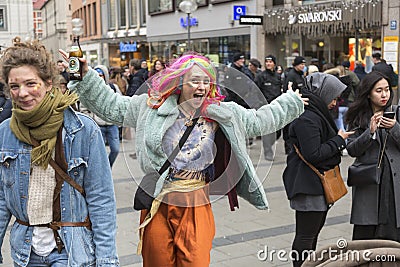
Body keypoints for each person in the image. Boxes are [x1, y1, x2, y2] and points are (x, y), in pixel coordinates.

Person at [59, 49, 307, 267]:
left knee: (195, 261)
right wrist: (85, 76)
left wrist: (290, 102)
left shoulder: (222, 113)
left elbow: (259, 120)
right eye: (194, 80)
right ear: (179, 83)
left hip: (196, 201)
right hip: (158, 199)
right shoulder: (150, 107)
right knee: (157, 260)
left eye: (206, 81)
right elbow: (112, 106)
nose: (201, 86)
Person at [0, 40, 119, 266]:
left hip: (71, 250)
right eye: (14, 86)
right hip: (25, 252)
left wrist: (106, 260)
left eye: (30, 83)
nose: (22, 93)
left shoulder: (83, 130)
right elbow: (0, 199)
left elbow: (101, 199)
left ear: (47, 83)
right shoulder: (5, 133)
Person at [282, 72, 353, 267]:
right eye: (334, 97)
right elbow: (313, 153)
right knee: (306, 236)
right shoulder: (308, 118)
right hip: (307, 184)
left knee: (311, 235)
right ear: (323, 94)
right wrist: (339, 140)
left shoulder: (315, 113)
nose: (335, 103)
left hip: (313, 184)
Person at [345, 71, 400, 242]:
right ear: (368, 93)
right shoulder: (357, 116)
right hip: (369, 179)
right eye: (378, 90)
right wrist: (369, 132)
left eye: (387, 90)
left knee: (392, 231)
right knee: (366, 232)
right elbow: (352, 150)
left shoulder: (396, 112)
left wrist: (395, 127)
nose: (384, 95)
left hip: (393, 180)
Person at [80, 65, 122, 168]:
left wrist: (117, 116)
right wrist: (92, 118)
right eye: (97, 75)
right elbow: (83, 108)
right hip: (98, 126)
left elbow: (120, 102)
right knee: (99, 152)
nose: (99, 77)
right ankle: (103, 170)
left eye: (101, 75)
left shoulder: (113, 87)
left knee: (115, 149)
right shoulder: (89, 89)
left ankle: (107, 167)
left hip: (112, 125)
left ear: (105, 76)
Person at [255, 55, 283, 160]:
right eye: (266, 62)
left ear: (274, 64)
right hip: (265, 107)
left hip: (276, 107)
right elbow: (255, 90)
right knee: (268, 130)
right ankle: (268, 152)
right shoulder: (261, 76)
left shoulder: (278, 76)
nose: (268, 63)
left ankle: (269, 144)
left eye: (270, 62)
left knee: (278, 131)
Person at [282, 56, 307, 154]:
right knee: (289, 127)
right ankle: (289, 148)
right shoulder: (292, 76)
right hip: (292, 106)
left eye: (304, 64)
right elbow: (287, 90)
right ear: (296, 65)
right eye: (301, 64)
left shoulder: (300, 75)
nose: (303, 66)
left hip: (299, 105)